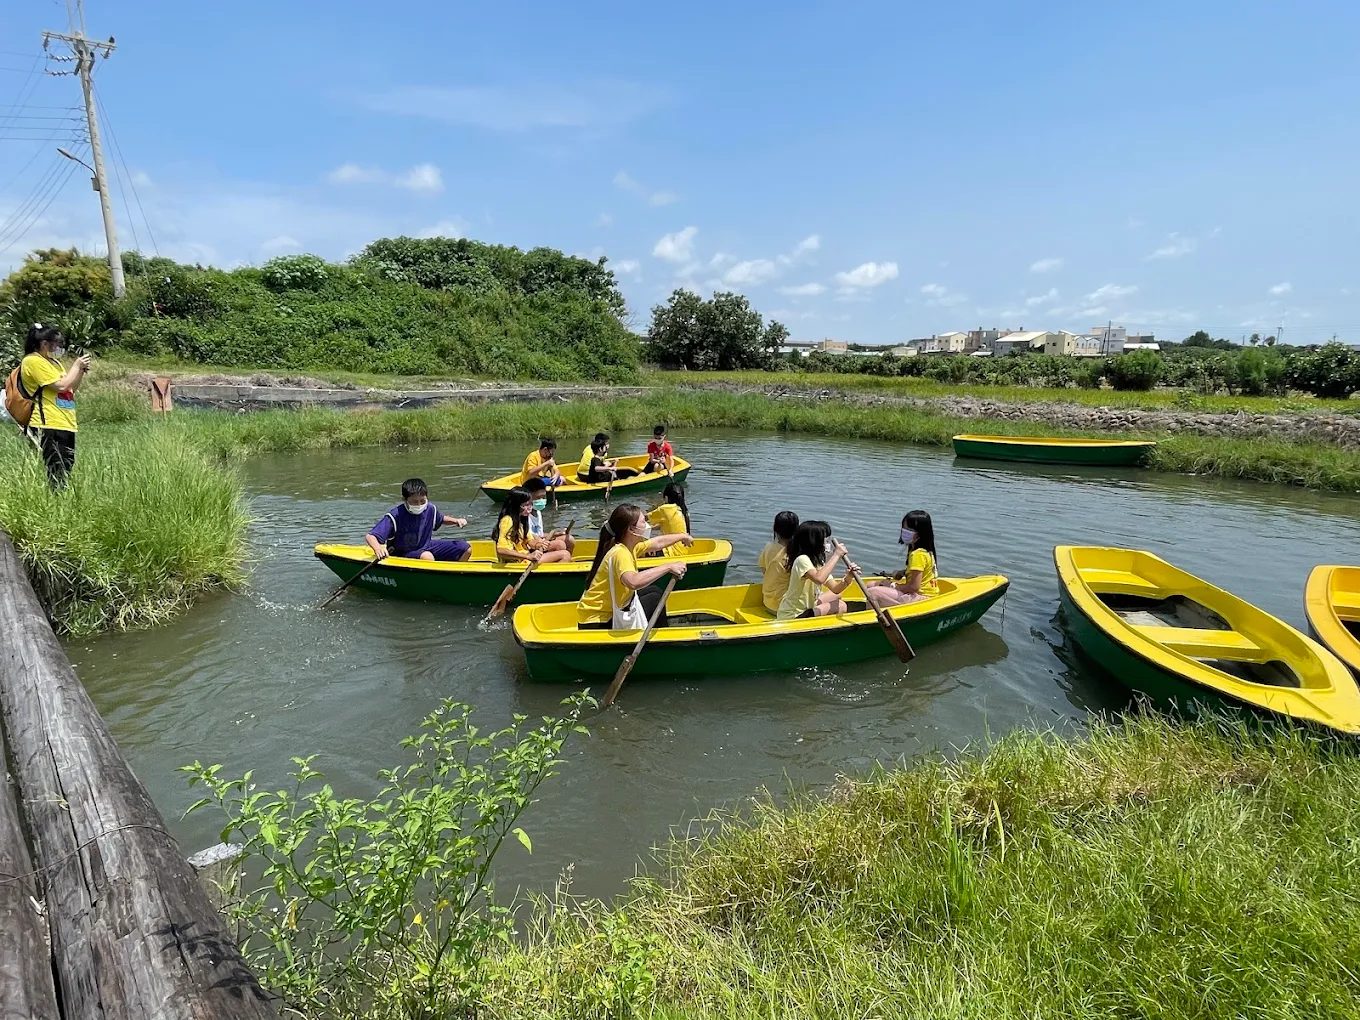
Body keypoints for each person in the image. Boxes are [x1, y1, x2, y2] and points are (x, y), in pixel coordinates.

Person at [577, 503, 689, 629]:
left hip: (605, 614)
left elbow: (657, 542)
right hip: (598, 622)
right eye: (643, 522)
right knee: (654, 599)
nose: (647, 526)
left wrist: (682, 536)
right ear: (631, 530)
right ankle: (660, 642)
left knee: (654, 591)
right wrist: (668, 567)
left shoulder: (630, 546)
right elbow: (633, 582)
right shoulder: (620, 552)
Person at [19, 324, 91, 486]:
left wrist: (80, 372)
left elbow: (70, 388)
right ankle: (54, 501)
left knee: (66, 466)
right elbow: (60, 386)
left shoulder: (54, 363)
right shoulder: (32, 361)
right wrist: (76, 366)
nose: (58, 346)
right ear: (44, 343)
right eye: (55, 342)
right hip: (47, 422)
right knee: (55, 468)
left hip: (65, 421)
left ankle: (61, 500)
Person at [365, 478, 470, 561]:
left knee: (465, 548)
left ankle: (454, 575)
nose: (419, 505)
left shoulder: (430, 509)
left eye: (422, 501)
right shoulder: (396, 515)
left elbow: (440, 519)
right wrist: (378, 549)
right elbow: (371, 536)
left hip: (426, 545)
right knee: (427, 556)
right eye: (415, 502)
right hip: (403, 552)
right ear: (404, 499)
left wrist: (456, 521)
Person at [776, 520, 858, 620]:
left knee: (836, 596)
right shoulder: (802, 560)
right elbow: (819, 579)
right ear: (814, 542)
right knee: (841, 605)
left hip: (807, 607)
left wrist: (848, 577)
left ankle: (817, 617)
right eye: (825, 540)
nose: (827, 543)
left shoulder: (818, 563)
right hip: (793, 615)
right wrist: (836, 554)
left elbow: (836, 589)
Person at [865, 510, 940, 608]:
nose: (904, 531)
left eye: (909, 529)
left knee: (873, 592)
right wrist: (903, 572)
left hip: (921, 598)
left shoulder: (917, 554)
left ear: (920, 533)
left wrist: (893, 586)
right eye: (904, 527)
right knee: (870, 585)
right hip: (924, 595)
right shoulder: (926, 551)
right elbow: (921, 571)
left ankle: (873, 619)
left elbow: (914, 587)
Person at [494, 487, 572, 564]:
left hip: (526, 555)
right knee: (565, 555)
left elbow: (530, 540)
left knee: (559, 545)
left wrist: (539, 545)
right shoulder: (507, 521)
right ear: (515, 505)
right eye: (526, 505)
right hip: (518, 561)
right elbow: (501, 550)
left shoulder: (522, 519)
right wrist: (528, 556)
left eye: (531, 504)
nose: (530, 508)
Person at [757, 510, 800, 613]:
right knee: (837, 598)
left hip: (768, 602)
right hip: (784, 608)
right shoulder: (795, 554)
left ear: (775, 528)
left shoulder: (768, 547)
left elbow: (764, 570)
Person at [522, 477, 576, 557]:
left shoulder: (538, 512)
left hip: (541, 542)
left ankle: (566, 561)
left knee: (569, 539)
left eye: (543, 497)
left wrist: (558, 533)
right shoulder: (524, 514)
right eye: (538, 498)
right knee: (559, 545)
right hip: (532, 546)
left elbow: (540, 533)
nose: (541, 500)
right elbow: (529, 537)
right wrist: (542, 541)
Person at [642, 482, 693, 557]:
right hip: (682, 550)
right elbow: (668, 526)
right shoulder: (682, 510)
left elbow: (643, 518)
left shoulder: (665, 509)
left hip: (670, 552)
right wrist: (650, 529)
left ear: (666, 497)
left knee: (639, 550)